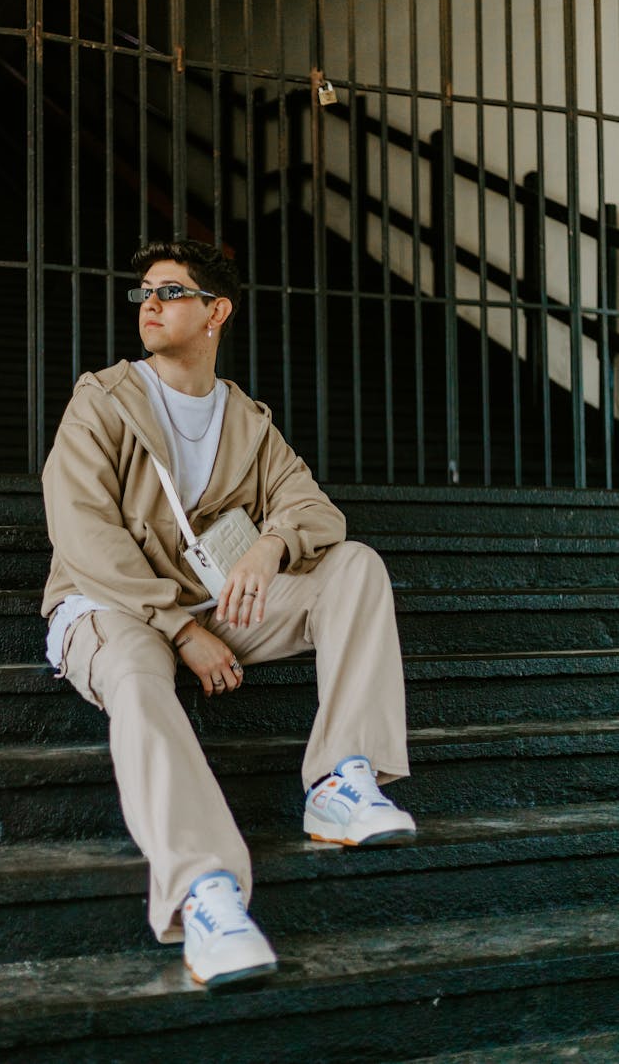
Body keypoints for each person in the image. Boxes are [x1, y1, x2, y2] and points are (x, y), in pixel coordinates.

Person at [41, 239, 416, 989]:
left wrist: (270, 547)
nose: (149, 303)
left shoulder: (245, 418)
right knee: (139, 682)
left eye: (170, 291)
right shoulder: (104, 399)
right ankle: (206, 890)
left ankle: (342, 781)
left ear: (217, 312)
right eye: (143, 291)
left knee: (355, 566)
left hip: (216, 601)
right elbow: (82, 531)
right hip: (109, 605)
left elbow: (313, 506)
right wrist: (180, 629)